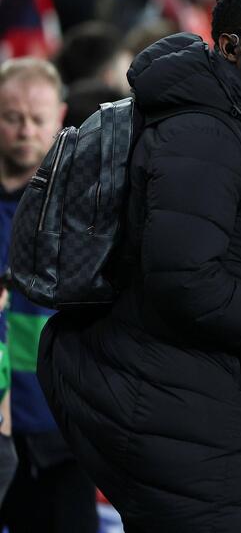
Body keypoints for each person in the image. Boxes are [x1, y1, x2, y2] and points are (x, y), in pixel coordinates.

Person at [37, 0, 241, 533]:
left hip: (188, 394)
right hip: (172, 399)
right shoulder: (206, 133)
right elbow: (184, 279)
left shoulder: (227, 126)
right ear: (228, 46)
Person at [0, 58, 96, 533]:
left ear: (59, 117)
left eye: (37, 119)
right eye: (12, 117)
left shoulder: (84, 206)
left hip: (64, 429)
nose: (25, 130)